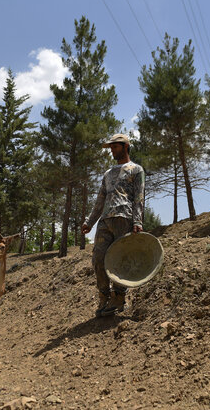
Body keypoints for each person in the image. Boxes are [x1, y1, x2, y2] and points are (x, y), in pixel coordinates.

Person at [81, 133, 145, 317]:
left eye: (115, 147)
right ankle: (104, 296)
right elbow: (100, 200)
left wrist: (137, 221)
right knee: (98, 258)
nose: (112, 151)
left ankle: (118, 297)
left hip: (124, 218)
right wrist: (89, 222)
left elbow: (139, 197)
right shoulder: (108, 174)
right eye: (110, 147)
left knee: (121, 259)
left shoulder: (136, 170)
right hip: (105, 221)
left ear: (125, 146)